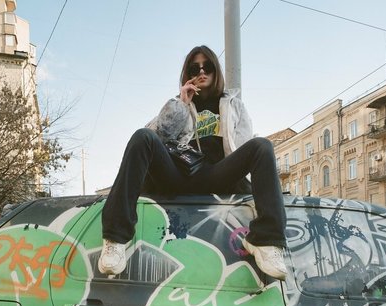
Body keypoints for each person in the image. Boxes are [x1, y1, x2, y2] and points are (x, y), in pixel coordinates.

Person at [99, 45, 287, 280]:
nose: (201, 72)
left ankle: (267, 241)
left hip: (217, 174)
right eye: (194, 68)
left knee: (262, 146)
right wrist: (181, 103)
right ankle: (115, 238)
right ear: (187, 73)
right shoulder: (180, 103)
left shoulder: (234, 105)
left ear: (216, 70)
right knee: (142, 136)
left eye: (207, 66)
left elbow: (242, 145)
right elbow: (157, 135)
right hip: (179, 174)